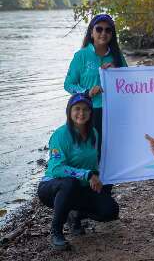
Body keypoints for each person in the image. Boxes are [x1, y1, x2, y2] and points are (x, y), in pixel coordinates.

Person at [37, 93, 119, 250]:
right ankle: (56, 231)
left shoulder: (93, 133)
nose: (81, 113)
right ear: (69, 111)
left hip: (81, 188)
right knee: (69, 183)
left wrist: (101, 176)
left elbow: (93, 164)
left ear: (90, 112)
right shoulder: (60, 135)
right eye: (77, 109)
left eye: (86, 109)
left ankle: (75, 214)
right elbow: (56, 168)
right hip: (52, 188)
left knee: (111, 211)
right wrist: (87, 174)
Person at [64, 14, 128, 159]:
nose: (103, 33)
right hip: (88, 112)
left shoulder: (117, 57)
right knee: (89, 151)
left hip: (113, 110)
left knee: (110, 151)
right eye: (99, 29)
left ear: (112, 34)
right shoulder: (80, 56)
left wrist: (117, 72)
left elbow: (128, 83)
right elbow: (68, 84)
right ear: (91, 32)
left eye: (108, 30)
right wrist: (86, 92)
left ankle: (107, 181)